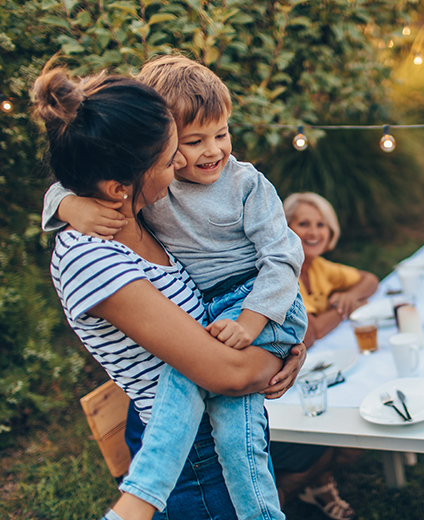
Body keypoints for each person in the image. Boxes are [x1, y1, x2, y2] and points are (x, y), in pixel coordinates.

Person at [37, 63, 306, 520]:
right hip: (192, 456)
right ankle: (134, 506)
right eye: (170, 158)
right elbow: (227, 374)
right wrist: (271, 361)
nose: (180, 164)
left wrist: (278, 346)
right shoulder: (94, 252)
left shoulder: (139, 211)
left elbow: (279, 258)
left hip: (217, 406)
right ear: (120, 184)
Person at [269, 192, 379, 520]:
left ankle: (311, 483)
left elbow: (369, 280)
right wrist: (343, 311)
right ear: (285, 227)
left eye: (321, 225)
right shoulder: (283, 269)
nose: (313, 231)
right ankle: (282, 496)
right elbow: (309, 332)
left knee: (354, 440)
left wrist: (346, 296)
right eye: (303, 223)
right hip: (277, 383)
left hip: (310, 367)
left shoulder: (318, 267)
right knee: (347, 436)